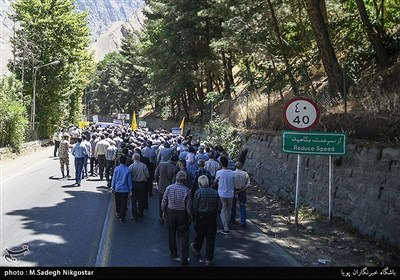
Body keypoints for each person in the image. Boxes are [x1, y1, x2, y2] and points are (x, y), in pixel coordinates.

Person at [161, 171, 192, 265]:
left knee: (171, 233)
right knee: (183, 235)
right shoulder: (186, 190)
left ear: (177, 178)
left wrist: (164, 211)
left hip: (171, 212)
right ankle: (184, 257)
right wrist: (189, 216)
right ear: (184, 179)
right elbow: (188, 206)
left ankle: (173, 252)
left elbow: (164, 201)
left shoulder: (169, 188)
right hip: (182, 213)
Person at [191, 175, 222, 267]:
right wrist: (216, 212)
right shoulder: (214, 192)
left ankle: (197, 248)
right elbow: (220, 206)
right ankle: (209, 258)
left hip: (201, 217)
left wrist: (194, 216)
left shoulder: (198, 192)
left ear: (200, 184)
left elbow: (195, 206)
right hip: (212, 217)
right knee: (211, 238)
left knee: (200, 234)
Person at [213, 156, 234, 234]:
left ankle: (225, 227)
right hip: (230, 193)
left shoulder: (219, 172)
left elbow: (215, 181)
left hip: (221, 193)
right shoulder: (232, 173)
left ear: (221, 164)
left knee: (223, 209)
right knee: (229, 210)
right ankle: (227, 224)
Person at [154, 155, 179, 223]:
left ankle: (161, 217)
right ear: (176, 161)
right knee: (168, 203)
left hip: (161, 186)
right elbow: (174, 182)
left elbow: (156, 173)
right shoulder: (174, 169)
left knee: (161, 202)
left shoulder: (161, 164)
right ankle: (167, 217)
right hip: (169, 188)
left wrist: (156, 180)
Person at [111, 155, 132, 223]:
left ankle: (118, 212)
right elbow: (129, 181)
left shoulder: (116, 169)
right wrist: (130, 189)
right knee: (124, 203)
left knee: (117, 201)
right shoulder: (128, 169)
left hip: (117, 188)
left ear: (119, 161)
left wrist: (112, 187)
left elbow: (114, 179)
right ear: (125, 161)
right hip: (125, 189)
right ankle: (122, 217)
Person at [128, 153, 149, 220]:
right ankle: (140, 213)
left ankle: (134, 215)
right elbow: (147, 175)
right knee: (141, 199)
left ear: (133, 158)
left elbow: (128, 176)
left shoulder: (131, 166)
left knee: (133, 200)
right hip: (142, 184)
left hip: (133, 184)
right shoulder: (144, 166)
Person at [230, 161, 251, 229]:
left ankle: (232, 219)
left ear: (235, 166)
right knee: (242, 206)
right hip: (242, 190)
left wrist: (235, 191)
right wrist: (242, 190)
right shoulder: (245, 174)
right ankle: (243, 222)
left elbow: (230, 183)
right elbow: (248, 184)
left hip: (234, 191)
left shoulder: (232, 173)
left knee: (233, 206)